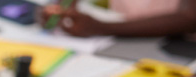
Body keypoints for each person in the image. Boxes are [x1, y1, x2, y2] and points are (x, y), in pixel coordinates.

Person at [41, 0, 196, 37]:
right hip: (118, 40)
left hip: (175, 43)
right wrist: (57, 9)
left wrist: (102, 28)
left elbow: (190, 17)